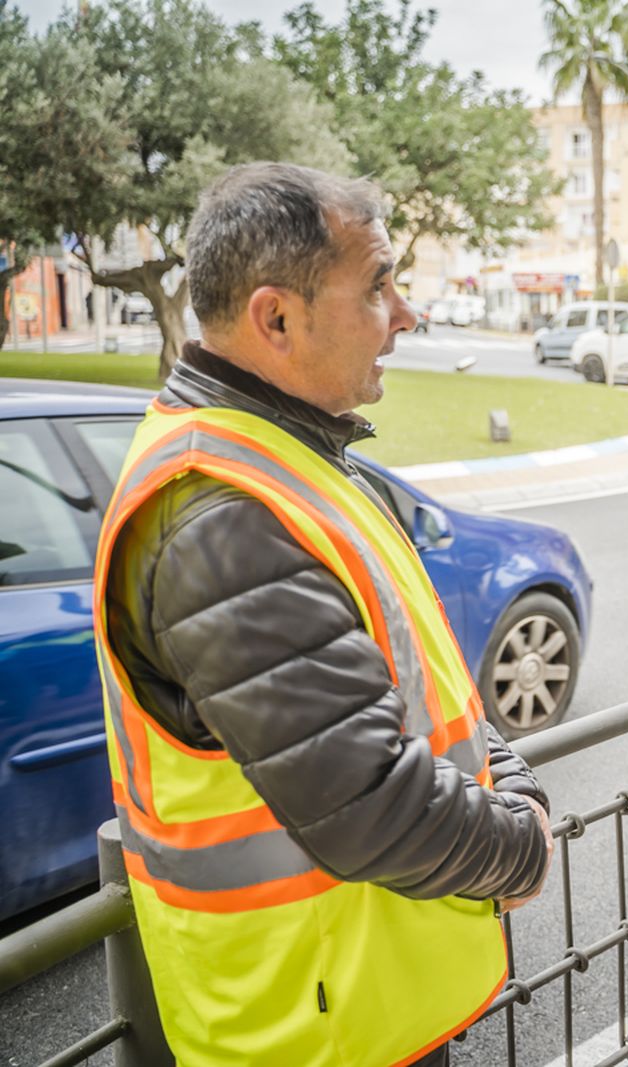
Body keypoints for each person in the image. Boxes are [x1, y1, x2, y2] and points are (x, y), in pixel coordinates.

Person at [93, 162, 553, 1067]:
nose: (407, 314)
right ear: (276, 318)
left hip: (357, 1008)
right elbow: (369, 807)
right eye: (379, 284)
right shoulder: (222, 518)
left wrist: (513, 778)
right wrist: (524, 846)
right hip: (312, 1035)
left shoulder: (286, 461)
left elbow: (430, 689)